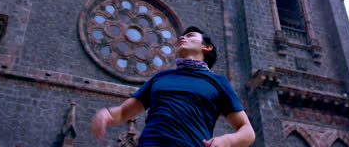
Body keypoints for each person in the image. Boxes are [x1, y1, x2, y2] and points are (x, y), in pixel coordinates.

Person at [91, 26, 255, 147]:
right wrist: (105, 114)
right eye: (182, 37)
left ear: (207, 47)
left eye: (190, 36)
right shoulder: (161, 77)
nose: (182, 38)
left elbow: (247, 131)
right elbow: (122, 113)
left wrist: (226, 140)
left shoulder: (218, 82)